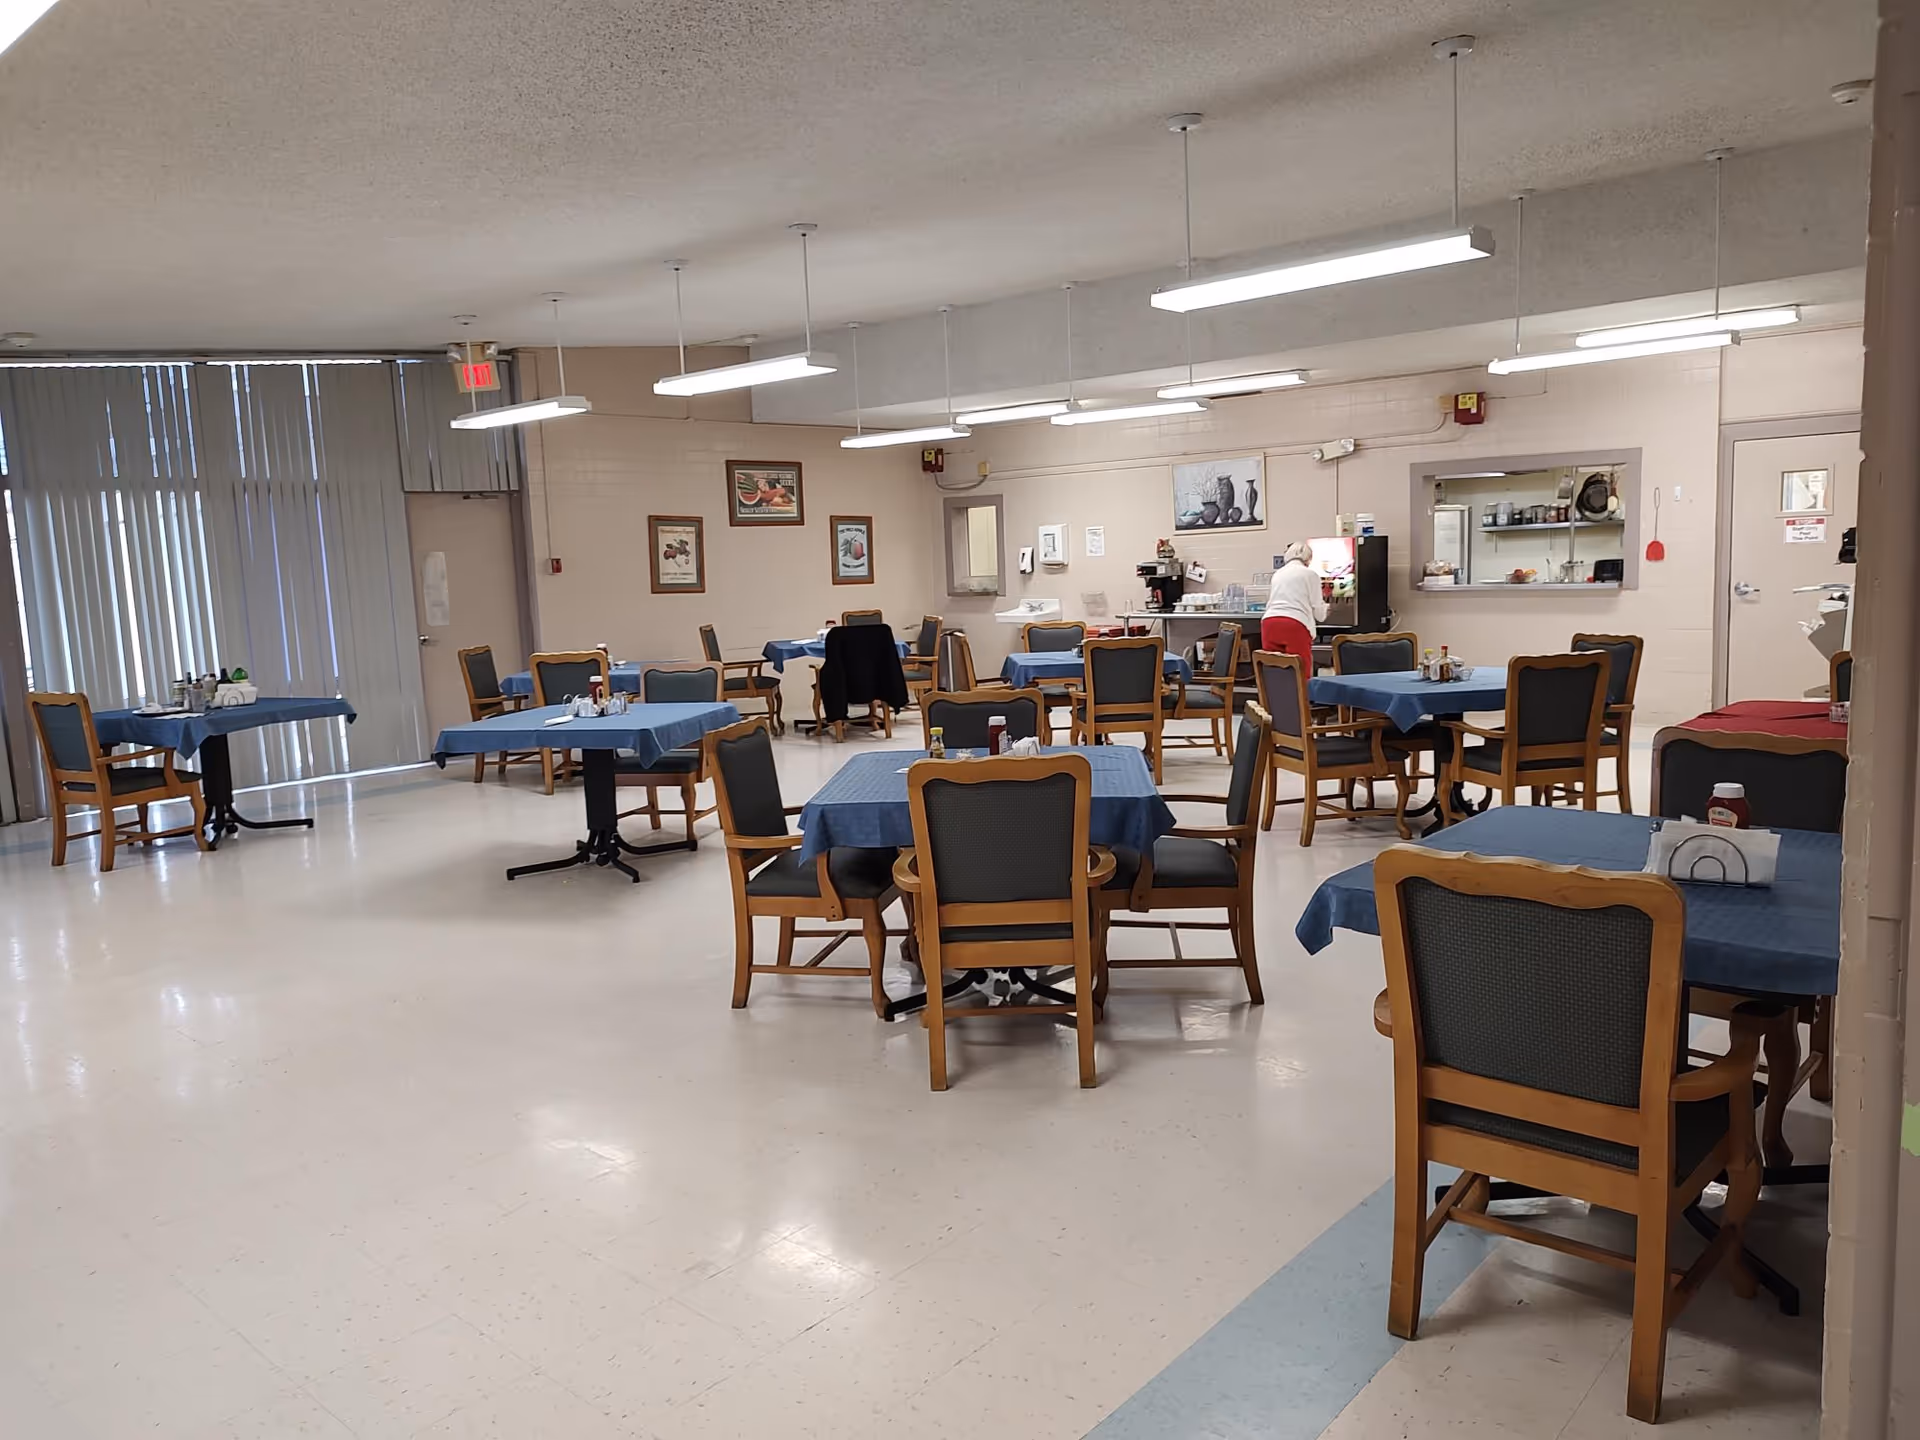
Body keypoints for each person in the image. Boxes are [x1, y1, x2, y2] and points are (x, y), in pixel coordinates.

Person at [1262, 541, 1327, 660]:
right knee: (1300, 669)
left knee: (1273, 668)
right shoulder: (1310, 574)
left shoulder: (1277, 574)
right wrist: (1326, 610)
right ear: (1309, 558)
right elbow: (1318, 610)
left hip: (1269, 623)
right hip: (1294, 623)